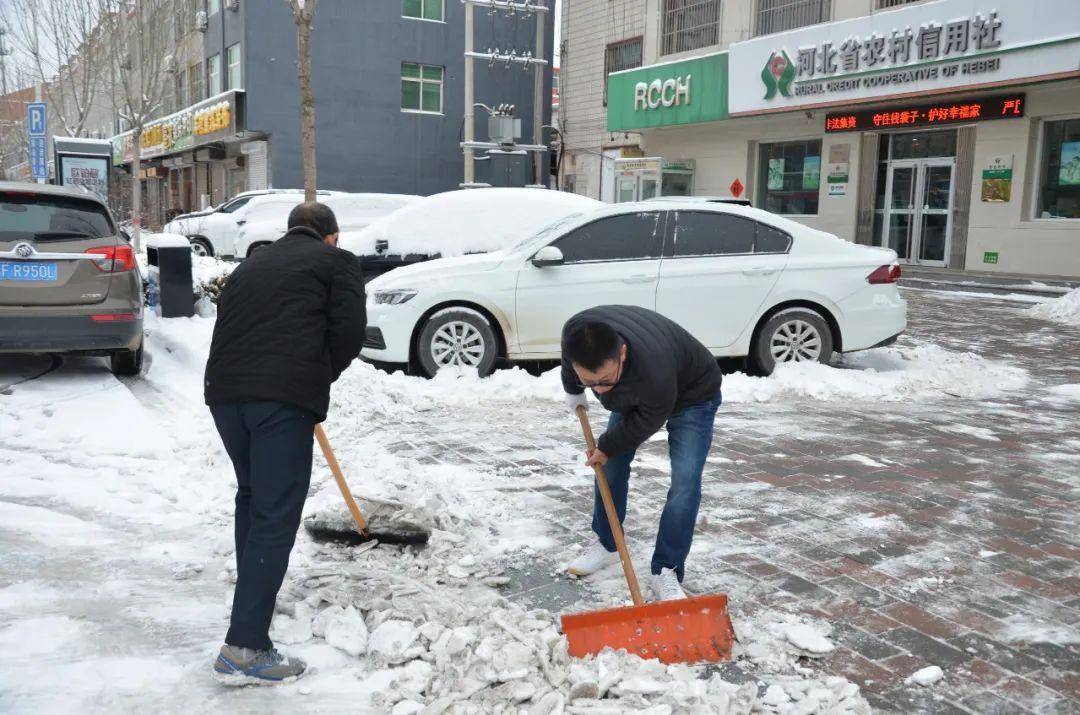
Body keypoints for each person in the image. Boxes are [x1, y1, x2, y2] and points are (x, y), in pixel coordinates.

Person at [204, 202, 366, 685]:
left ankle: (251, 610)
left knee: (254, 500)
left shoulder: (252, 263)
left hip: (225, 394)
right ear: (331, 237)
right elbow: (349, 335)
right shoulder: (338, 262)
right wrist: (312, 378)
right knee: (275, 514)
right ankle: (244, 647)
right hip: (279, 400)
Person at [561, 305, 722, 601]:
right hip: (638, 390)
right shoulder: (576, 335)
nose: (601, 391)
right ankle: (608, 543)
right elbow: (569, 368)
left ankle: (667, 569)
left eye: (605, 380)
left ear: (622, 353)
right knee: (608, 467)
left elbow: (646, 420)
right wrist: (575, 390)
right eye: (590, 382)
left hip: (693, 395)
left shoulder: (654, 372)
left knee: (685, 480)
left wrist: (606, 446)